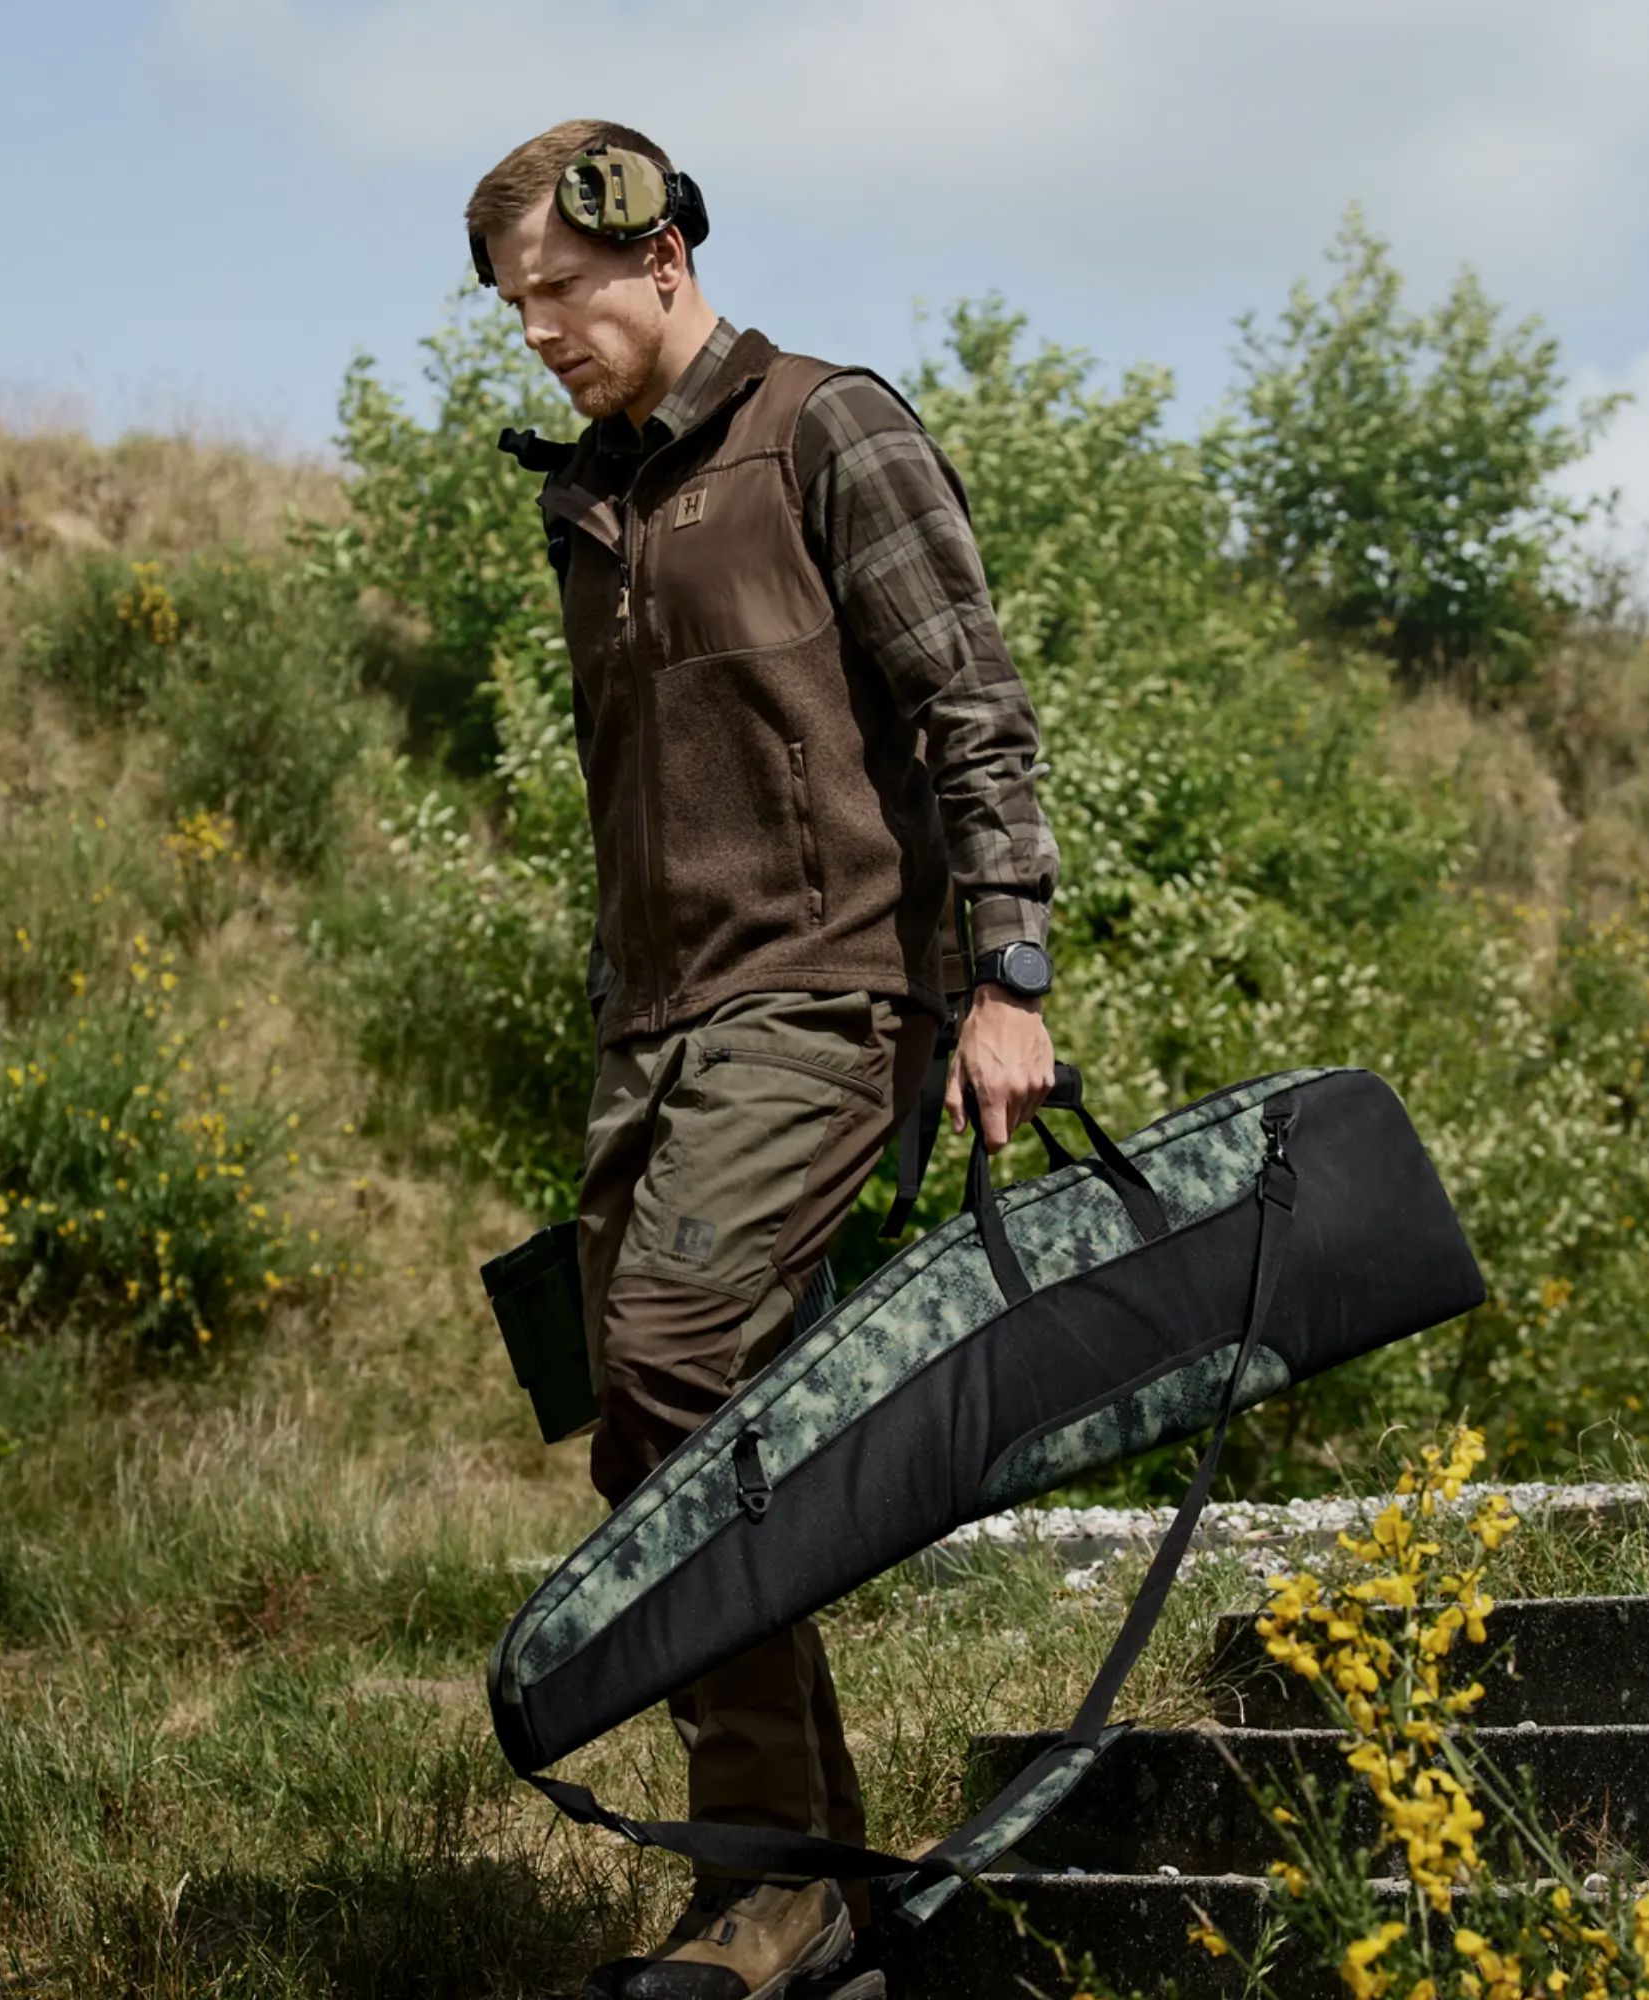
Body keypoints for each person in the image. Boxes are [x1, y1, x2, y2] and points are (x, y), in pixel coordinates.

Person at [465, 119, 1063, 2000]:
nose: (537, 334)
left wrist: (1007, 974)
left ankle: (781, 1889)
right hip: (651, 1023)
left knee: (674, 1356)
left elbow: (968, 701)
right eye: (509, 310)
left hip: (824, 996)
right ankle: (799, 1891)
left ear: (660, 251)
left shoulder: (827, 428)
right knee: (659, 1437)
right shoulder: (593, 498)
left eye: (557, 293)